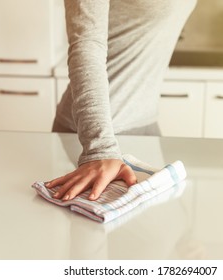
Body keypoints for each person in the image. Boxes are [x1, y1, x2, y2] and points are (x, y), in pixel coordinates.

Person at [46, 0, 196, 201]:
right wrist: (100, 149)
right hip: (98, 135)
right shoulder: (100, 144)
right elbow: (87, 44)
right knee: (89, 231)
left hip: (146, 124)